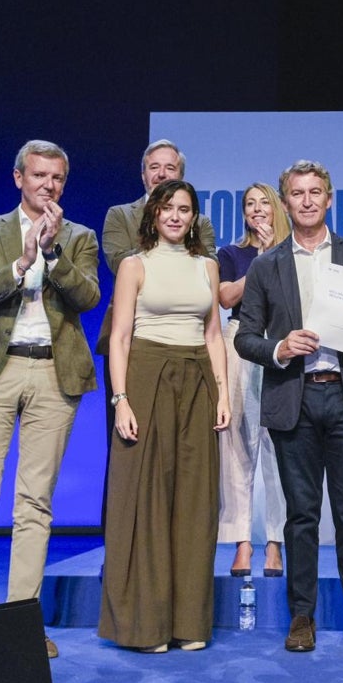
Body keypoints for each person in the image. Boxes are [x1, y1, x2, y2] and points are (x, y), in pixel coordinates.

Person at [0, 140, 100, 661]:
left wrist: (51, 255)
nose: (48, 185)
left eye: (57, 178)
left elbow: (89, 298)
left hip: (54, 376)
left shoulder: (79, 237)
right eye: (39, 176)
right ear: (18, 178)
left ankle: (19, 624)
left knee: (35, 505)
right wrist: (20, 263)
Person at [235, 160, 343, 654]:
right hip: (296, 398)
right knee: (301, 517)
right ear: (285, 202)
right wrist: (279, 348)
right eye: (297, 193)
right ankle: (302, 618)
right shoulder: (267, 265)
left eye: (315, 193)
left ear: (329, 199)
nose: (307, 201)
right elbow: (246, 337)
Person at [98, 179, 229, 653]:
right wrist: (121, 400)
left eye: (185, 209)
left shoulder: (207, 267)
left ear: (194, 217)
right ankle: (143, 626)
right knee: (145, 500)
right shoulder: (134, 265)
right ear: (153, 213)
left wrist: (223, 394)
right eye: (168, 207)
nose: (176, 216)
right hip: (147, 375)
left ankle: (188, 623)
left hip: (196, 379)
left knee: (195, 502)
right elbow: (119, 338)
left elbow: (214, 334)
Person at [96, 139, 216, 527]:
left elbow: (204, 263)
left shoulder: (201, 223)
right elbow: (119, 261)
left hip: (189, 351)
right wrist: (158, 225)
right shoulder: (120, 215)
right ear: (144, 173)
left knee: (185, 468)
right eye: (154, 167)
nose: (162, 174)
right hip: (134, 348)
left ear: (181, 174)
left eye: (170, 169)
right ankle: (121, 551)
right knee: (129, 456)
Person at [217, 183, 289, 578]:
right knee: (237, 449)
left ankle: (275, 544)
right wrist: (260, 258)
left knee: (278, 450)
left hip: (280, 344)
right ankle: (242, 543)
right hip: (238, 342)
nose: (257, 209)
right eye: (250, 203)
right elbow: (227, 298)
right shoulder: (231, 253)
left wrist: (274, 253)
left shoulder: (293, 250)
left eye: (265, 202)